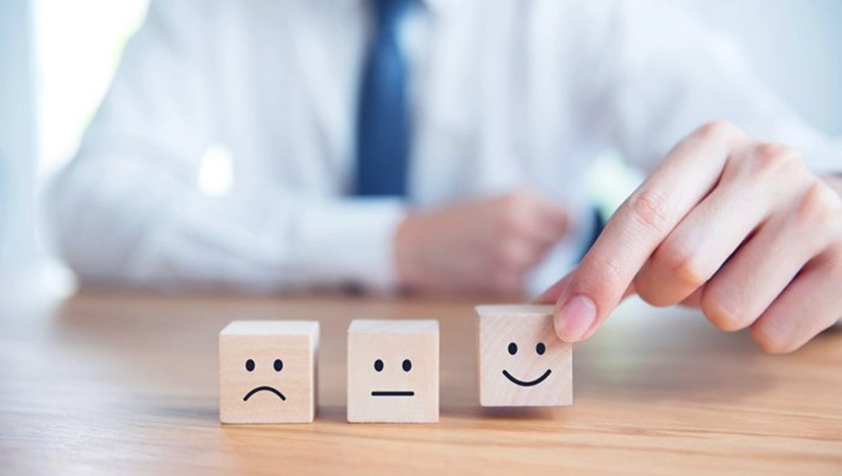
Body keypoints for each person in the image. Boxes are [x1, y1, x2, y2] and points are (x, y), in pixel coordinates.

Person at [52, 0, 842, 353]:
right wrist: (389, 244)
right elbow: (90, 200)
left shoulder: (597, 12)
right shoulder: (210, 10)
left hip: (528, 400)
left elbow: (797, 168)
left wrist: (822, 215)